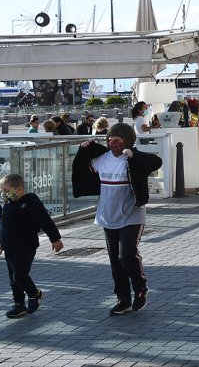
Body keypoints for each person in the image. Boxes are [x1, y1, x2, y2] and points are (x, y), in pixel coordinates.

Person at [72, 123, 163, 315]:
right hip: (108, 216)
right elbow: (80, 167)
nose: (113, 144)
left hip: (132, 216)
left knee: (127, 254)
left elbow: (156, 162)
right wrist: (85, 148)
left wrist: (134, 155)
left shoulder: (132, 159)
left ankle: (140, 288)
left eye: (118, 141)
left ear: (128, 141)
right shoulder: (101, 159)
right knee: (115, 260)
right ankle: (123, 298)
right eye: (110, 140)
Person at [0, 173, 63, 318]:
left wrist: (55, 239)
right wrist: (0, 241)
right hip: (9, 246)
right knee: (13, 278)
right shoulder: (8, 205)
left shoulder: (31, 202)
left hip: (26, 245)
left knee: (19, 275)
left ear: (19, 189)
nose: (3, 194)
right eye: (1, 191)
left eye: (6, 191)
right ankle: (19, 304)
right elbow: (4, 225)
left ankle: (34, 294)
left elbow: (45, 220)